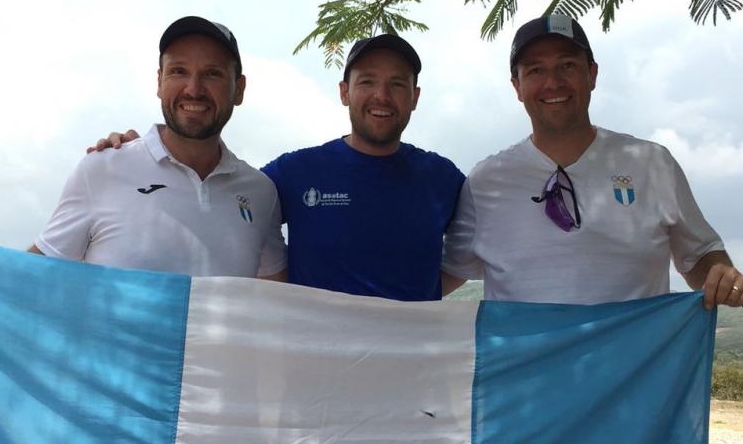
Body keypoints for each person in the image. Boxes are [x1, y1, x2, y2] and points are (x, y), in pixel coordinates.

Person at [0, 16, 287, 307]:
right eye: (178, 71)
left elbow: (280, 311)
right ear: (159, 82)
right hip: (116, 421)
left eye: (212, 74)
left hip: (222, 424)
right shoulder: (103, 168)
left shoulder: (259, 192)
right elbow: (28, 277)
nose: (193, 88)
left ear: (239, 88)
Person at [93, 34, 465, 301]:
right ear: (344, 92)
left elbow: (471, 258)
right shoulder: (294, 173)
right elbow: (215, 196)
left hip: (416, 382)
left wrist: (415, 300)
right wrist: (142, 156)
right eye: (366, 82)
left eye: (397, 84)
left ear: (414, 97)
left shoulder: (444, 179)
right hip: (311, 381)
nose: (381, 96)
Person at [441, 14, 743, 309]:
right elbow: (446, 274)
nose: (553, 82)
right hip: (525, 367)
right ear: (517, 86)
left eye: (567, 66)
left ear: (592, 74)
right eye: (535, 70)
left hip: (633, 366)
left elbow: (700, 256)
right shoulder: (486, 181)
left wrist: (722, 276)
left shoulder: (652, 164)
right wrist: (391, 314)